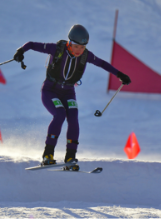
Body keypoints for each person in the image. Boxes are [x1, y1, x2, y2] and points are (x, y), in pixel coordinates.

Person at [13, 24, 131, 171]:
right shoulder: (56, 49)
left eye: (82, 48)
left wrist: (120, 74)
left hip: (68, 92)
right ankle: (48, 154)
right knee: (60, 114)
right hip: (50, 90)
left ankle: (70, 157)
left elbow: (102, 63)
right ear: (70, 43)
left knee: (73, 117)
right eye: (76, 47)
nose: (79, 51)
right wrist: (20, 51)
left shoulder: (86, 55)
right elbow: (31, 44)